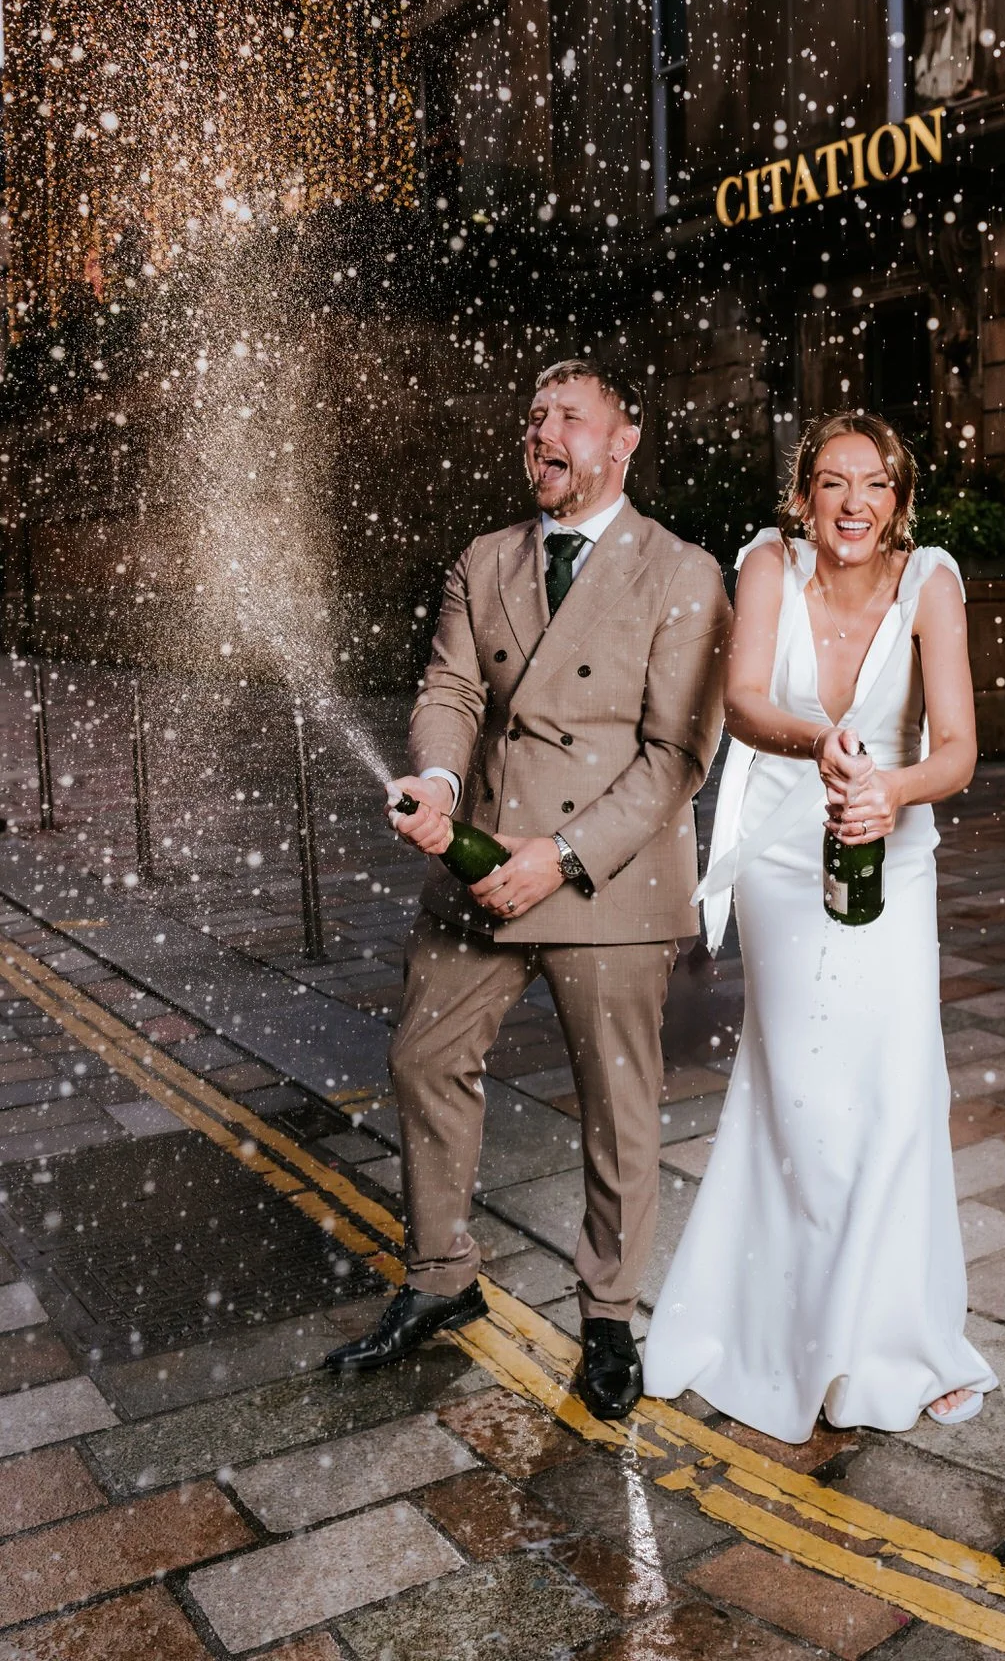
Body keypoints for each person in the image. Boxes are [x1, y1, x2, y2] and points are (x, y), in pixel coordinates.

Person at [327, 358, 731, 1420]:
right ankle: (440, 1277)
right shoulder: (483, 556)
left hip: (606, 872)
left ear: (622, 439)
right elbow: (452, 687)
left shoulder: (683, 571)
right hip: (480, 859)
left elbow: (674, 755)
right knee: (422, 1055)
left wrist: (554, 853)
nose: (541, 430)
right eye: (532, 415)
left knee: (616, 1103)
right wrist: (438, 779)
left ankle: (606, 1313)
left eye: (567, 416)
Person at [642, 410, 997, 1438]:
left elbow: (961, 747)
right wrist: (820, 742)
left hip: (896, 846)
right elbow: (745, 702)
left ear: (900, 499)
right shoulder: (765, 564)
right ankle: (785, 1324)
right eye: (833, 483)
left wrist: (889, 790)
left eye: (874, 484)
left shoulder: (931, 580)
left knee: (898, 1085)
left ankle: (898, 1335)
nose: (853, 504)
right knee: (801, 1092)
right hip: (786, 856)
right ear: (803, 496)